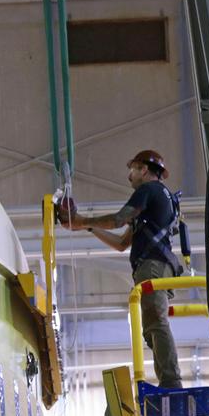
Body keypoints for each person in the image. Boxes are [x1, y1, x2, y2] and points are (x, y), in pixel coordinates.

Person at [60, 149, 187, 389]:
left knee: (156, 323)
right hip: (155, 267)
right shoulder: (155, 203)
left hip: (153, 266)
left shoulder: (148, 190)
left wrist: (83, 220)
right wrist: (85, 228)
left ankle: (172, 381)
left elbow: (119, 219)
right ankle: (170, 379)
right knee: (151, 328)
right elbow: (121, 244)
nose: (129, 175)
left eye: (133, 169)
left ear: (144, 170)